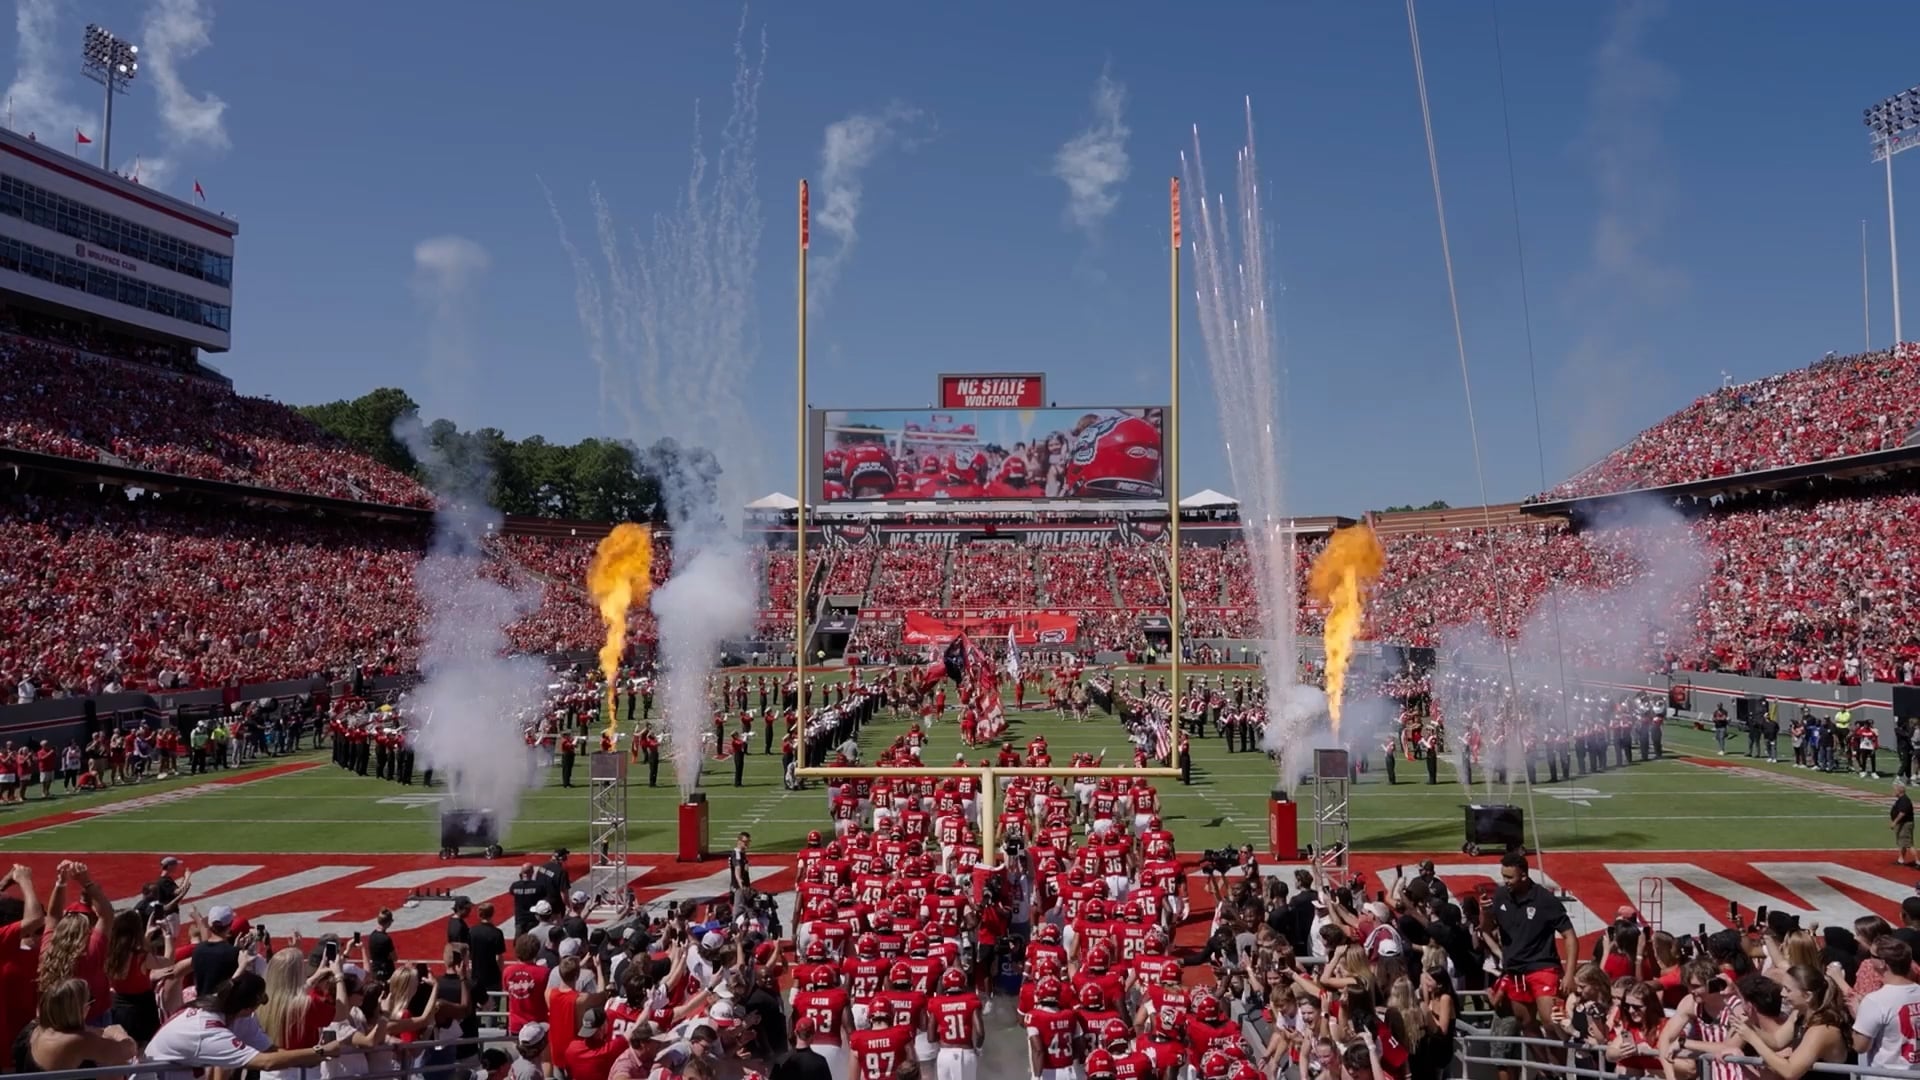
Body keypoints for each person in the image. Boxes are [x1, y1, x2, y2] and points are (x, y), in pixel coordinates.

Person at [1483, 852, 1577, 1040]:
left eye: (1510, 877)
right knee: (1525, 1022)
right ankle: (1546, 1070)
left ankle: (1559, 1068)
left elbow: (1570, 936)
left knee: (1551, 1022)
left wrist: (1569, 974)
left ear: (1524, 876)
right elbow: (1486, 929)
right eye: (1503, 876)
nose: (1505, 881)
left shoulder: (1545, 900)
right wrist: (1484, 911)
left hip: (1543, 967)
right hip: (1515, 970)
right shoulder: (1500, 896)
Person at [1853, 938, 1920, 1069]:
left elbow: (1860, 1046)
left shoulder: (1875, 1000)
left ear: (1882, 963)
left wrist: (1858, 1014)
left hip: (1887, 1074)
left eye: (1871, 955)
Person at [1893, 782, 1915, 868]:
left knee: (1908, 844)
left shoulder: (1904, 800)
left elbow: (1902, 813)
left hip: (1905, 824)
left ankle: (1917, 862)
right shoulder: (1901, 799)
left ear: (1900, 791)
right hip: (1902, 823)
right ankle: (1901, 859)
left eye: (1895, 790)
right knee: (1902, 843)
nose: (1894, 791)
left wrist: (1894, 822)